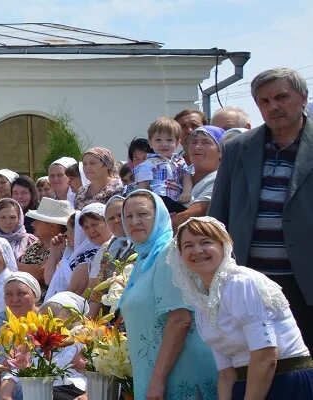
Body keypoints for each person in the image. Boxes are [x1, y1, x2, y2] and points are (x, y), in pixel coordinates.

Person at [210, 68, 313, 344]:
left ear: (303, 97)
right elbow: (218, 216)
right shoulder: (237, 148)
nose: (274, 106)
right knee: (258, 369)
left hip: (306, 284)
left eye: (282, 97)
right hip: (251, 283)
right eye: (264, 102)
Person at [169, 216, 313, 399]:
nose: (197, 250)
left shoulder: (241, 282)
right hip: (246, 386)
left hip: (286, 383)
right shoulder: (201, 300)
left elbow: (266, 356)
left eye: (206, 242)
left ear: (223, 246)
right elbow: (226, 373)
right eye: (188, 245)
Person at [120, 190, 217, 399]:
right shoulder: (143, 259)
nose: (135, 221)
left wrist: (158, 380)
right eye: (128, 216)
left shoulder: (169, 253)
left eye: (143, 214)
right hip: (158, 370)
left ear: (160, 216)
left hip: (178, 371)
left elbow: (180, 319)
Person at [174, 126, 223, 224]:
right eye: (194, 142)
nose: (197, 147)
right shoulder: (178, 171)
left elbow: (190, 215)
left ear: (220, 151)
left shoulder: (221, 179)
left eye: (206, 142)